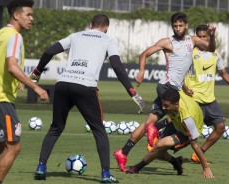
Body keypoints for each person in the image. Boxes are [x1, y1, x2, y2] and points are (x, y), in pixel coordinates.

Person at [28, 14, 144, 183]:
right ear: (106, 27)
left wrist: (37, 72)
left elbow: (50, 51)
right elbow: (117, 66)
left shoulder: (75, 36)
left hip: (63, 84)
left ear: (91, 25)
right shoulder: (108, 40)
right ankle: (105, 174)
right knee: (99, 130)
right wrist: (132, 92)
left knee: (55, 128)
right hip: (85, 86)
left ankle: (41, 167)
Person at [114, 12, 216, 172]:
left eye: (180, 25)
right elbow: (144, 54)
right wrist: (141, 72)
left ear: (186, 25)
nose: (178, 28)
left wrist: (212, 35)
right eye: (175, 26)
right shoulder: (167, 42)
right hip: (167, 88)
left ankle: (123, 152)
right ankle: (157, 129)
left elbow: (210, 49)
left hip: (173, 88)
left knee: (149, 122)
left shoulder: (193, 40)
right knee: (180, 115)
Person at [183, 24, 229, 164]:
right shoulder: (190, 54)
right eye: (199, 37)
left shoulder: (215, 54)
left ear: (209, 37)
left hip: (210, 100)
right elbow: (180, 73)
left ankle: (198, 154)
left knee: (220, 127)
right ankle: (160, 141)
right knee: (185, 133)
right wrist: (184, 88)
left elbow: (224, 74)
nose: (202, 39)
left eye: (205, 37)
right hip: (194, 100)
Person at [0, 1, 49, 183]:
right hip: (1, 100)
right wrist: (35, 87)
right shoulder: (14, 36)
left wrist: (15, 82)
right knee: (13, 146)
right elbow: (11, 66)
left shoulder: (1, 33)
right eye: (28, 14)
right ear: (16, 15)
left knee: (1, 144)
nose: (32, 19)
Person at [126, 88, 214, 178]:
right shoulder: (174, 96)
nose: (163, 108)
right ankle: (176, 162)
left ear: (176, 104)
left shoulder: (187, 119)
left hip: (186, 133)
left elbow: (195, 144)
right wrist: (157, 127)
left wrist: (206, 167)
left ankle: (137, 168)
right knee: (153, 148)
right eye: (163, 104)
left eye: (166, 105)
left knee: (159, 145)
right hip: (176, 123)